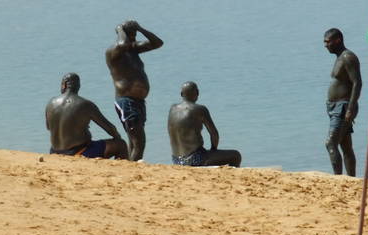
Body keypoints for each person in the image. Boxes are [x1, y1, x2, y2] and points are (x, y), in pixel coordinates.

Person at [104, 20, 163, 161]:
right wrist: (120, 29)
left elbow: (158, 43)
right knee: (139, 142)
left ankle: (130, 165)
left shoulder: (133, 49)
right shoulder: (113, 52)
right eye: (130, 35)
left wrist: (140, 28)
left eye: (134, 35)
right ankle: (134, 168)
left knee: (134, 140)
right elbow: (122, 44)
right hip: (126, 101)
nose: (133, 38)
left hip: (138, 102)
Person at [45, 73, 128, 159]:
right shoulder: (86, 105)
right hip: (79, 152)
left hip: (54, 152)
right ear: (78, 86)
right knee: (121, 145)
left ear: (64, 85)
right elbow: (110, 128)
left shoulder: (51, 103)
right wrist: (117, 137)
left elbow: (49, 127)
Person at [167, 81, 242, 167]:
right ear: (197, 93)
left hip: (176, 160)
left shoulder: (172, 109)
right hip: (195, 159)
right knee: (236, 156)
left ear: (181, 94)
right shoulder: (200, 109)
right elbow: (214, 134)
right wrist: (214, 150)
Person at [323, 27, 362, 176]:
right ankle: (352, 179)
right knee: (345, 146)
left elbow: (357, 83)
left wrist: (350, 109)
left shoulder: (348, 57)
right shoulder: (339, 58)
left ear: (338, 40)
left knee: (330, 143)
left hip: (343, 107)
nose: (325, 45)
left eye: (328, 42)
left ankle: (337, 179)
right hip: (334, 107)